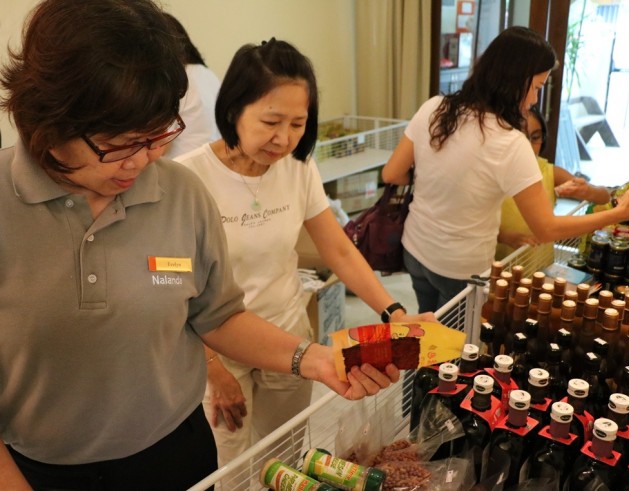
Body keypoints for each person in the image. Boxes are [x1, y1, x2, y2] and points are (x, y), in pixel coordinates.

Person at [0, 2, 399, 490]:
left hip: (177, 448)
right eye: (122, 143)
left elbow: (218, 314)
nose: (143, 161)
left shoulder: (180, 193)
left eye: (158, 137)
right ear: (50, 117)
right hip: (42, 470)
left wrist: (315, 358)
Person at [175, 38, 437, 469]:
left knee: (283, 453)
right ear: (233, 109)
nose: (284, 138)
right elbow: (178, 290)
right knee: (230, 461)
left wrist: (393, 311)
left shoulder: (297, 167)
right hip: (216, 347)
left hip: (287, 337)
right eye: (271, 121)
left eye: (298, 123)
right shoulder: (189, 178)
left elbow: (338, 249)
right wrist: (212, 370)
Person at [382, 26, 629, 314]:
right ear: (515, 79)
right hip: (460, 267)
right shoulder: (508, 141)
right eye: (537, 87)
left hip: (415, 248)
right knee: (453, 345)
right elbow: (546, 228)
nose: (536, 100)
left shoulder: (435, 107)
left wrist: (435, 173)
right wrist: (618, 213)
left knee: (427, 327)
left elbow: (392, 174)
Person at [496, 105, 612, 259]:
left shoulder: (549, 172)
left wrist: (588, 191)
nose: (528, 146)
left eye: (535, 138)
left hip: (539, 263)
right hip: (501, 264)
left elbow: (604, 197)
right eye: (521, 139)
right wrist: (505, 237)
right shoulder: (494, 173)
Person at [162, 12, 222, 159]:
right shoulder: (207, 74)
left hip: (184, 168)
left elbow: (159, 145)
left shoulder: (175, 79)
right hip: (213, 162)